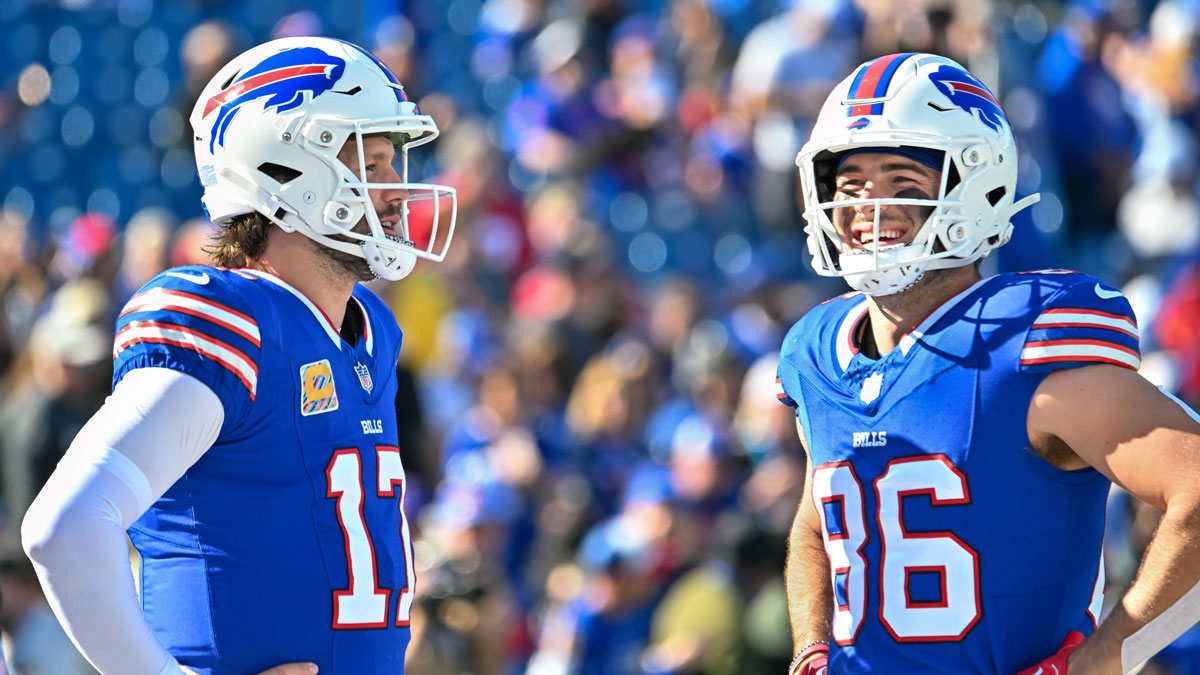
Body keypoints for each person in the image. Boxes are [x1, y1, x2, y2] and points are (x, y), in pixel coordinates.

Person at [20, 36, 457, 675]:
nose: (396, 190)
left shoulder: (372, 331)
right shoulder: (232, 321)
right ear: (289, 169)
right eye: (376, 163)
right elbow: (64, 525)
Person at [778, 52, 1200, 675]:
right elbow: (820, 526)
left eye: (902, 180)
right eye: (851, 184)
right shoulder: (818, 353)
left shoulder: (1022, 345)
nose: (869, 207)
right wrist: (811, 645)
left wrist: (1109, 658)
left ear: (976, 188)